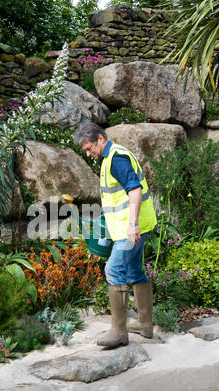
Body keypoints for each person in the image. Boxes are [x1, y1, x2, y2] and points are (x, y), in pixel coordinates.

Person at [74, 122, 157, 348]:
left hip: (131, 228)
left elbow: (135, 190)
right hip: (131, 226)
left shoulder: (116, 158)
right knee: (134, 270)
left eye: (90, 148)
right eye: (86, 151)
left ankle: (119, 332)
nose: (88, 153)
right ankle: (143, 323)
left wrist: (132, 225)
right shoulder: (108, 159)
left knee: (113, 270)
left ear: (101, 138)